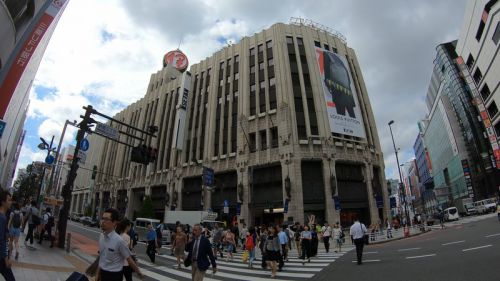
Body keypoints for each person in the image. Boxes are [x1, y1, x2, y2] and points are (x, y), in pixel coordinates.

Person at [96, 208, 143, 281]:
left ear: (114, 222)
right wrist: (97, 275)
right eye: (102, 219)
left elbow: (129, 259)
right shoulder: (101, 237)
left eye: (106, 219)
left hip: (115, 276)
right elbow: (101, 258)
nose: (103, 222)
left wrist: (139, 272)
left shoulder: (119, 241)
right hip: (103, 274)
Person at [0, 190, 15, 281]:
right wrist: (6, 258)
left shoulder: (3, 216)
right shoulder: (2, 218)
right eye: (9, 200)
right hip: (1, 258)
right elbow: (1, 240)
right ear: (3, 202)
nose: (11, 202)